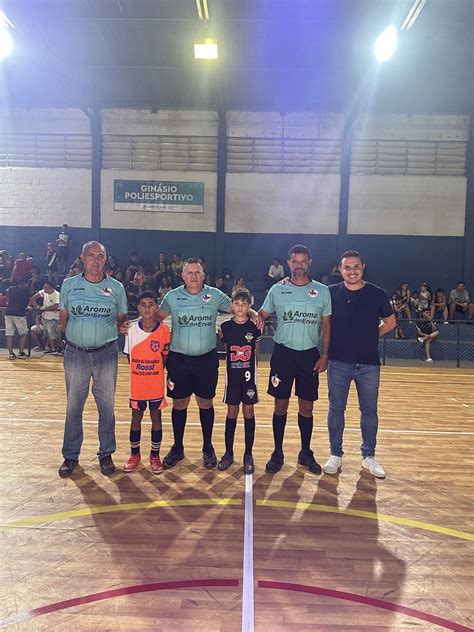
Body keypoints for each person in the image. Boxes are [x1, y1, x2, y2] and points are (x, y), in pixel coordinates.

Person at [147, 258, 261, 470]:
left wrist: (254, 313)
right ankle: (178, 447)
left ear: (203, 275)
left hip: (206, 359)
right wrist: (134, 328)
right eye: (189, 272)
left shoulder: (215, 295)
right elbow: (155, 319)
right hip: (179, 359)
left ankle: (208, 447)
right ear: (182, 275)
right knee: (179, 404)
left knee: (205, 403)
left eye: (197, 272)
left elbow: (238, 306)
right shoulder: (172, 297)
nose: (193, 276)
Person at [322, 250, 396, 479]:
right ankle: (335, 454)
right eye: (347, 267)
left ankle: (369, 456)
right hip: (338, 362)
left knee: (370, 411)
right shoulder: (330, 293)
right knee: (336, 409)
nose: (351, 271)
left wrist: (372, 335)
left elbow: (391, 322)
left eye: (355, 267)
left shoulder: (377, 293)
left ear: (363, 267)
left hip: (368, 364)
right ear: (340, 270)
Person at [259, 244, 332, 475]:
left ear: (310, 262)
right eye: (295, 261)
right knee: (280, 404)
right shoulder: (277, 290)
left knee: (307, 406)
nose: (299, 265)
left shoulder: (322, 291)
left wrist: (325, 355)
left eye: (303, 261)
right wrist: (238, 323)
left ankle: (305, 452)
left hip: (310, 355)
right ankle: (277, 452)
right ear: (288, 263)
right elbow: (261, 315)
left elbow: (327, 325)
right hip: (283, 354)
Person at [58, 241, 128, 478]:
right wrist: (77, 338)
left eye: (100, 256)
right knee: (73, 407)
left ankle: (106, 453)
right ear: (82, 257)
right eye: (91, 255)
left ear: (105, 259)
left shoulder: (116, 288)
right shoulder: (69, 285)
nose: (95, 260)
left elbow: (121, 320)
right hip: (75, 354)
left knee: (106, 407)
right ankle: (70, 455)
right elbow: (63, 319)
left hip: (106, 354)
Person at [122, 291, 171, 474]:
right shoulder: (131, 329)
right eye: (144, 304)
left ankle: (155, 456)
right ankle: (135, 454)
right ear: (138, 308)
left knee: (156, 417)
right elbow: (129, 356)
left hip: (155, 383)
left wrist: (155, 370)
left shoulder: (164, 330)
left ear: (156, 307)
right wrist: (139, 372)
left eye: (151, 304)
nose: (148, 308)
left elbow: (165, 356)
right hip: (137, 384)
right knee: (136, 418)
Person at [217, 288, 262, 475]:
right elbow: (227, 348)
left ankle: (248, 454)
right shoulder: (225, 327)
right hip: (232, 377)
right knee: (232, 412)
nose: (241, 307)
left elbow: (256, 350)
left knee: (248, 412)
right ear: (232, 306)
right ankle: (228, 453)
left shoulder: (254, 327)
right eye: (237, 303)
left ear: (249, 305)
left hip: (249, 377)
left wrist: (254, 369)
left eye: (244, 303)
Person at [29, 280, 62, 353]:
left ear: (51, 288)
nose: (44, 289)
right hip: (45, 317)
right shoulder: (44, 292)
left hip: (54, 318)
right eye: (44, 287)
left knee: (53, 334)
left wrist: (46, 308)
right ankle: (52, 348)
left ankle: (60, 345)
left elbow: (56, 306)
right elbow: (33, 298)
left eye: (46, 287)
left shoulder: (57, 295)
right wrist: (36, 306)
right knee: (48, 334)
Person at [5, 279, 30, 359]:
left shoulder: (11, 289)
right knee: (23, 333)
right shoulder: (25, 290)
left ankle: (11, 354)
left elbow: (7, 296)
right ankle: (21, 352)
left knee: (9, 333)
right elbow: (26, 301)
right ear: (24, 283)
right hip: (19, 314)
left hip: (8, 313)